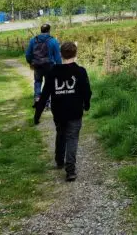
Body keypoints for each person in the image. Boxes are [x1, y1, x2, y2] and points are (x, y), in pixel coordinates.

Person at [34, 42, 91, 182]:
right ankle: (70, 170)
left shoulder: (52, 71)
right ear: (75, 54)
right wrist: (86, 105)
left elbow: (44, 95)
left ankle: (59, 160)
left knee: (61, 133)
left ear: (60, 54)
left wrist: (37, 115)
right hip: (75, 112)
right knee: (72, 138)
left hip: (59, 112)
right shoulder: (80, 71)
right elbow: (87, 91)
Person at [25, 24, 62, 107]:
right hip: (49, 65)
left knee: (38, 81)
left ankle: (37, 98)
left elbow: (27, 54)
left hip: (37, 65)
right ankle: (46, 101)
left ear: (41, 30)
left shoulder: (33, 40)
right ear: (49, 30)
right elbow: (57, 56)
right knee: (48, 83)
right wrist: (59, 68)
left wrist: (30, 62)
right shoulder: (53, 41)